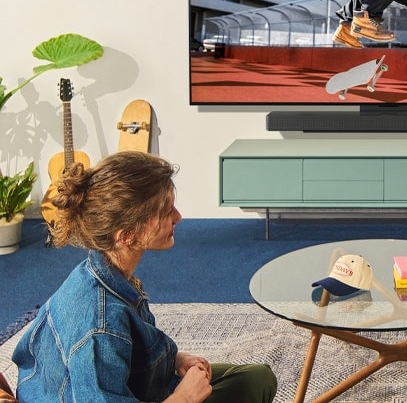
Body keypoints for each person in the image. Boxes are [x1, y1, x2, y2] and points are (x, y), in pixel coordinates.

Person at [12, 151, 277, 403]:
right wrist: (183, 398)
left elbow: (134, 352)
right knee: (256, 383)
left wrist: (174, 359)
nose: (179, 217)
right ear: (127, 234)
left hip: (128, 388)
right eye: (166, 212)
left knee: (252, 376)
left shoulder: (99, 274)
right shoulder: (99, 325)